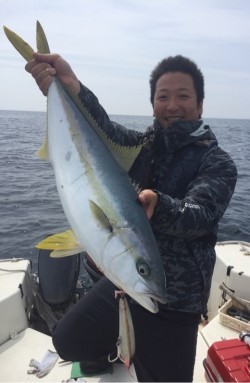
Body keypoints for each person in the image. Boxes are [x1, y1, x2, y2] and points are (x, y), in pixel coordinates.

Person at [25, 53, 237, 382]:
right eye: (163, 96)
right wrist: (72, 88)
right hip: (124, 285)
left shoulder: (217, 162)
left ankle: (138, 347)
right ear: (154, 104)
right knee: (67, 340)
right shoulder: (143, 146)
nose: (172, 105)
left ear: (200, 105)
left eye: (184, 96)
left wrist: (160, 204)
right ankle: (115, 349)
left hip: (172, 302)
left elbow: (201, 213)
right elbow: (103, 132)